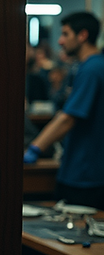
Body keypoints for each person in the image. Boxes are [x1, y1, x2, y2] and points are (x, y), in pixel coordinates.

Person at [24, 11, 104, 209]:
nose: (60, 41)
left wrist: (35, 148)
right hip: (82, 168)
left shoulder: (92, 69)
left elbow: (69, 118)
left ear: (82, 35)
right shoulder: (86, 67)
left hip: (84, 172)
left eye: (65, 34)